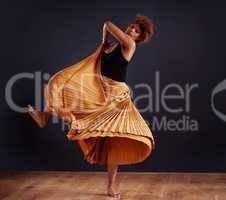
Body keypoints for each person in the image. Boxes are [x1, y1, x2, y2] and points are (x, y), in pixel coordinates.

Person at [27, 14, 155, 199]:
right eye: (131, 26)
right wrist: (104, 45)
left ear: (138, 37)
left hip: (116, 99)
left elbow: (108, 24)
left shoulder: (129, 45)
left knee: (114, 142)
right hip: (99, 92)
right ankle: (45, 115)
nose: (131, 30)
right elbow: (106, 30)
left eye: (136, 30)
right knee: (60, 82)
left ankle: (110, 187)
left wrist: (104, 40)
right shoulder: (112, 47)